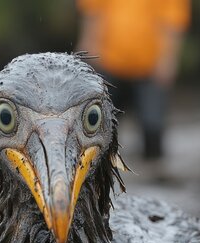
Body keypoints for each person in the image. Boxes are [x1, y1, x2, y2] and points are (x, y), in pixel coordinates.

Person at [76, 0, 190, 160]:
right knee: (97, 129)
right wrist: (88, 47)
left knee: (153, 130)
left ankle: (153, 174)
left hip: (150, 69)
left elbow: (173, 21)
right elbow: (92, 10)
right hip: (109, 63)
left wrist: (168, 59)